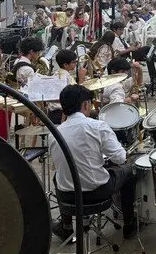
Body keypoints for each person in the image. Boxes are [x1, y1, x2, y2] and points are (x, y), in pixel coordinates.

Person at [49, 84, 136, 241]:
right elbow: (120, 158)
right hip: (96, 193)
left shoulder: (53, 134)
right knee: (129, 171)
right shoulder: (97, 126)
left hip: (67, 196)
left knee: (58, 176)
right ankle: (129, 225)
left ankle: (66, 227)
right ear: (86, 104)